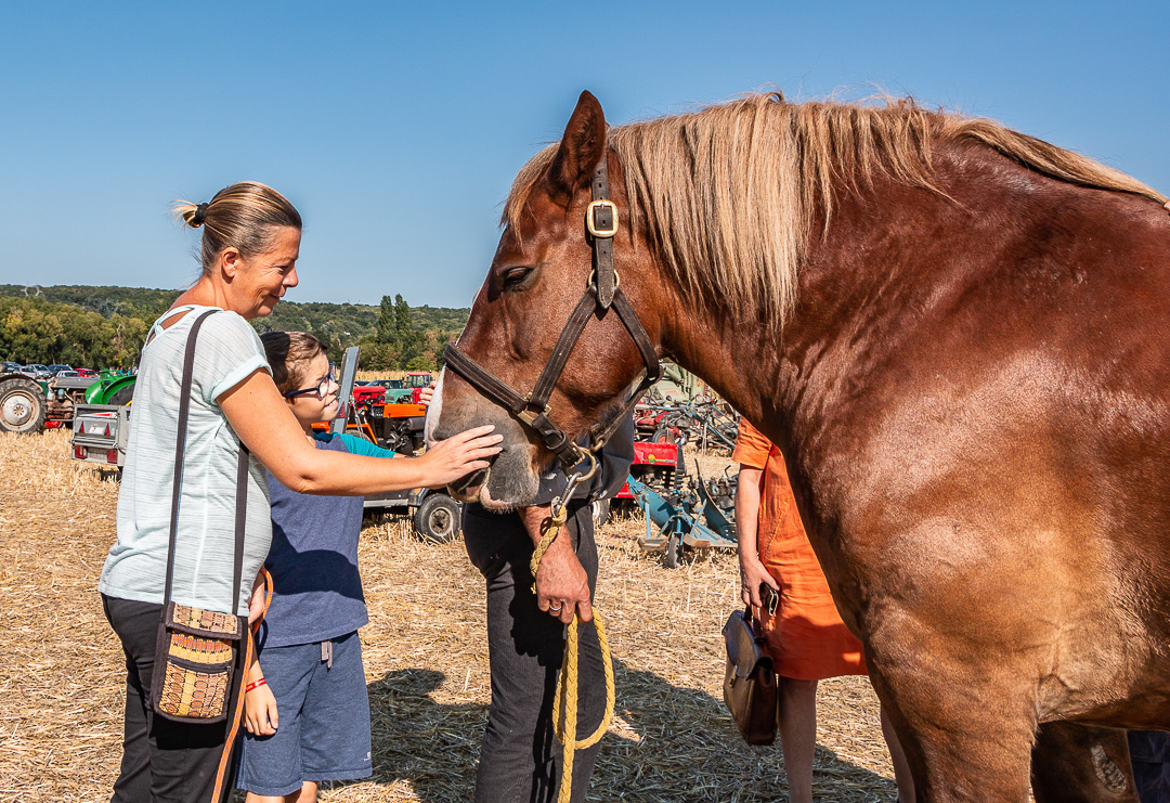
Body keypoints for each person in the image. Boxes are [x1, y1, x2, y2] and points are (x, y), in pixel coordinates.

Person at [98, 181, 501, 803]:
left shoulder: (169, 327)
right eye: (281, 266)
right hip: (192, 605)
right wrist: (429, 469)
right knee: (192, 790)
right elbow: (302, 467)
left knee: (147, 781)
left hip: (143, 590)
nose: (291, 281)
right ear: (231, 261)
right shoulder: (222, 331)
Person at [234, 331, 400, 802]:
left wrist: (436, 418)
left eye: (332, 378)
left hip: (339, 637)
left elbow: (410, 467)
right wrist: (252, 679)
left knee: (310, 779)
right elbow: (238, 585)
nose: (332, 390)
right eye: (319, 384)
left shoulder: (346, 449)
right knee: (269, 787)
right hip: (276, 649)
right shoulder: (257, 468)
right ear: (279, 401)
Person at [733, 418, 914, 803]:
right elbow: (749, 478)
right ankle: (802, 799)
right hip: (795, 561)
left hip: (867, 556)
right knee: (797, 680)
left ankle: (911, 797)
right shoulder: (765, 382)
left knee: (894, 681)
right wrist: (748, 559)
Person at [462, 418, 634, 803]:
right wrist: (551, 542)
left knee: (583, 697)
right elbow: (514, 430)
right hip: (536, 516)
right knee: (524, 719)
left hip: (562, 509)